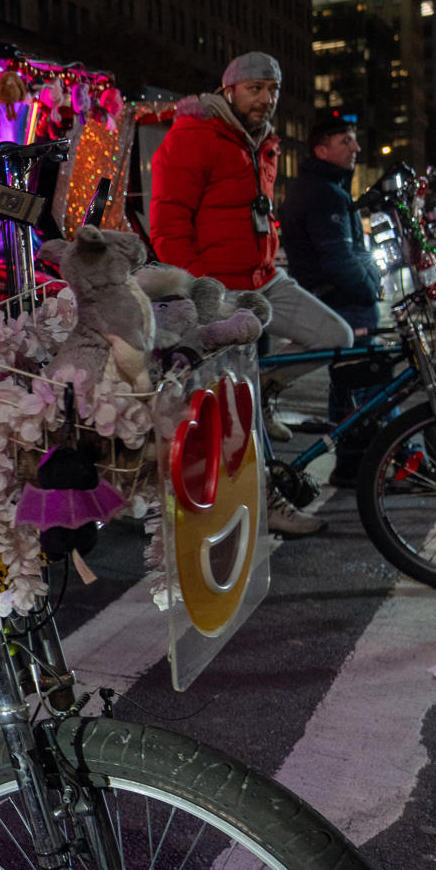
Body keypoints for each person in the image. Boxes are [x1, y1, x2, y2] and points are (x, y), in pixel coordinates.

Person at [149, 51, 351, 535]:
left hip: (264, 279)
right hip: (218, 289)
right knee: (241, 411)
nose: (265, 98)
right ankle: (266, 502)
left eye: (272, 90)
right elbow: (168, 226)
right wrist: (203, 292)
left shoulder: (261, 143)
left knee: (335, 334)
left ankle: (270, 387)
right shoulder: (194, 137)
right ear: (229, 90)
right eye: (255, 88)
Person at [278, 122, 379, 486]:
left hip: (333, 300)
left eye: (354, 140)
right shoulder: (325, 195)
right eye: (344, 142)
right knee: (364, 384)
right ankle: (363, 464)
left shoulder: (321, 189)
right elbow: (339, 260)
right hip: (344, 304)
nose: (355, 148)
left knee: (348, 384)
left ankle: (354, 465)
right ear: (321, 151)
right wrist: (369, 290)